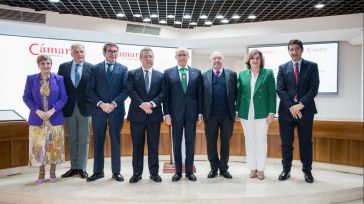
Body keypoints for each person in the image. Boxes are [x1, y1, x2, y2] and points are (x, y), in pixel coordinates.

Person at [276, 39, 319, 183]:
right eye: (291, 49)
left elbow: (314, 88)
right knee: (286, 143)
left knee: (306, 142)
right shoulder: (282, 68)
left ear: (301, 50)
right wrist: (292, 106)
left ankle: (307, 171)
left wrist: (300, 104)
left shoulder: (312, 66)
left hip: (305, 111)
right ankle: (286, 170)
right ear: (288, 51)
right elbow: (280, 89)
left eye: (296, 49)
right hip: (286, 112)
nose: (294, 52)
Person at [23, 54, 68, 184]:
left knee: (54, 147)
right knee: (38, 147)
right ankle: (41, 173)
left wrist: (52, 110)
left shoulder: (59, 79)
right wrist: (37, 110)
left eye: (48, 63)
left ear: (51, 64)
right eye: (42, 63)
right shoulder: (31, 79)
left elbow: (64, 98)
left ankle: (53, 172)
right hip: (37, 119)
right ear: (39, 65)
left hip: (54, 118)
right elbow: (26, 97)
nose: (46, 66)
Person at [87, 42, 128, 182]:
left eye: (115, 51)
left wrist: (113, 104)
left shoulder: (123, 69)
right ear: (104, 52)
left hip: (116, 111)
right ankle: (98, 171)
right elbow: (90, 90)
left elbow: (126, 90)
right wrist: (101, 104)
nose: (113, 53)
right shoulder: (95, 68)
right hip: (98, 111)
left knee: (115, 141)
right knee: (98, 141)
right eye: (110, 51)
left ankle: (116, 172)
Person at [127, 47, 166, 183]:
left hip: (154, 116)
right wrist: (143, 105)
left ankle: (154, 173)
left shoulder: (161, 76)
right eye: (146, 57)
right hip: (137, 116)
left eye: (151, 56)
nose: (149, 59)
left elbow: (163, 93)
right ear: (140, 58)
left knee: (153, 146)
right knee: (137, 146)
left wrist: (151, 104)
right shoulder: (132, 74)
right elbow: (131, 91)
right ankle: (137, 173)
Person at [164, 48, 203, 182]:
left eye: (184, 55)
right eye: (179, 55)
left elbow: (200, 95)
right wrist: (166, 114)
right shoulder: (168, 73)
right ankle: (178, 172)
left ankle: (189, 172)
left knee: (190, 143)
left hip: (192, 114)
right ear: (176, 57)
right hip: (175, 114)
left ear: (188, 56)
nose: (182, 57)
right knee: (177, 143)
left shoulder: (197, 73)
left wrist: (200, 113)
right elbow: (166, 96)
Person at [236, 49, 276, 180]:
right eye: (253, 58)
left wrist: (271, 112)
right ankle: (252, 168)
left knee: (261, 140)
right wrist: (237, 111)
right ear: (249, 60)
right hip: (245, 113)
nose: (255, 60)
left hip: (262, 113)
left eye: (258, 58)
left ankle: (261, 169)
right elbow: (239, 93)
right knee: (249, 140)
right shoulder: (242, 74)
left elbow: (272, 94)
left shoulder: (268, 73)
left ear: (261, 60)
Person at [58, 43, 93, 179]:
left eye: (82, 51)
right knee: (72, 139)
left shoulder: (92, 68)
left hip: (85, 109)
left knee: (84, 139)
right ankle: (73, 167)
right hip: (69, 109)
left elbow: (94, 88)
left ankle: (82, 168)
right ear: (71, 53)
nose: (80, 54)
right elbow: (60, 88)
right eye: (77, 52)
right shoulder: (63, 67)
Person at [202, 51, 237, 179]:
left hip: (227, 116)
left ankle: (223, 169)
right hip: (210, 116)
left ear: (223, 60)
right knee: (211, 144)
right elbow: (201, 96)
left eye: (219, 58)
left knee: (225, 143)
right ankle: (213, 168)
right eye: (214, 59)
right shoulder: (204, 75)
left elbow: (236, 94)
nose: (217, 61)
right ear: (210, 61)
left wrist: (236, 111)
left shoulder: (232, 75)